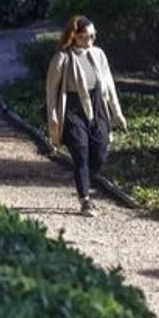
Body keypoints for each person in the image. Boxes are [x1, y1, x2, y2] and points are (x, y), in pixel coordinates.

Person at [46, 15, 127, 216]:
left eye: (93, 36)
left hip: (97, 106)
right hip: (73, 109)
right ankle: (86, 200)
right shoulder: (62, 58)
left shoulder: (98, 54)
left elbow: (109, 85)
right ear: (74, 37)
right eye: (86, 37)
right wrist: (53, 117)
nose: (90, 41)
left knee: (99, 153)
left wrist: (117, 112)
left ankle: (83, 179)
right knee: (81, 152)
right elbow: (51, 91)